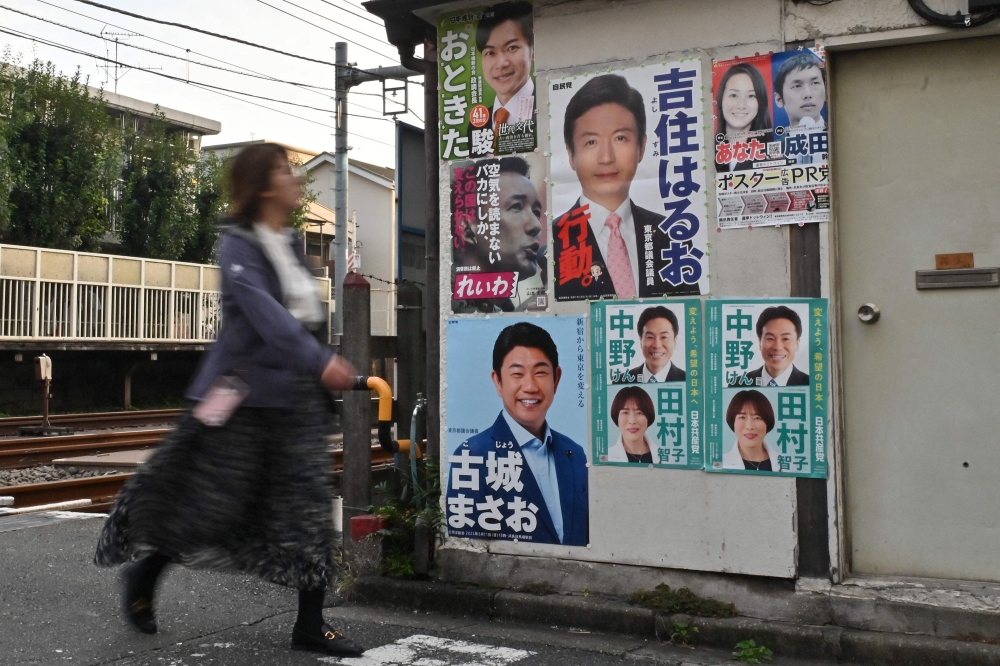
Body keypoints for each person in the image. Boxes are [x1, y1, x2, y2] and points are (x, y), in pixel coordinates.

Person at [94, 143, 365, 658]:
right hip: (243, 403)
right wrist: (321, 362)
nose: (297, 179)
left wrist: (317, 365)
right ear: (264, 185)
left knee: (309, 511)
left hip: (296, 406)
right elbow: (268, 317)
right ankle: (145, 573)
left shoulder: (289, 244)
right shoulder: (238, 245)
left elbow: (303, 319)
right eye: (287, 170)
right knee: (208, 509)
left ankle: (311, 623)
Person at [553, 74, 699, 300]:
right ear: (571, 155)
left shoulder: (671, 235)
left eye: (620, 138)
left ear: (641, 147)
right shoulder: (552, 242)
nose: (606, 157)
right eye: (591, 142)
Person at [448, 322, 588, 546]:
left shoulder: (575, 455)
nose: (530, 386)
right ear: (498, 381)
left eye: (541, 373)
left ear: (557, 379)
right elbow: (467, 551)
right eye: (517, 374)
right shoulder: (472, 456)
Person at [453, 156, 543, 313]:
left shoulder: (504, 309)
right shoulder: (447, 306)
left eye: (536, 212)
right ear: (466, 227)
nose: (536, 225)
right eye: (516, 206)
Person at [475, 2, 535, 143]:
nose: (502, 64)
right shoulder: (476, 126)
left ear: (533, 50)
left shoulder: (547, 108)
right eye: (490, 52)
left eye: (512, 48)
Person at [714, 62, 774, 173]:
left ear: (760, 102)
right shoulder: (707, 152)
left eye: (751, 96)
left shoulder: (774, 155)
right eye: (734, 95)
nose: (741, 105)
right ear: (721, 99)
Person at [735, 305, 809, 387]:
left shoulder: (811, 385)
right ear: (760, 342)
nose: (778, 347)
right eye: (770, 338)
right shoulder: (738, 384)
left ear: (797, 343)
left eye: (786, 339)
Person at [613, 306, 685, 384]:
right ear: (641, 341)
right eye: (650, 337)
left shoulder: (688, 381)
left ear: (675, 341)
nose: (657, 345)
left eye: (664, 337)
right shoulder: (621, 381)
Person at [723, 389, 780, 471]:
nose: (749, 426)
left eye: (757, 418)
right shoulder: (722, 463)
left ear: (767, 422)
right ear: (733, 422)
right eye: (742, 417)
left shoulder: (786, 465)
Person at [773, 51, 827, 130]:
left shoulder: (840, 133)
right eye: (797, 86)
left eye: (815, 83)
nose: (808, 94)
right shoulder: (779, 142)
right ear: (779, 99)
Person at [607, 386, 656, 463]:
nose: (632, 421)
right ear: (617, 417)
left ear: (648, 416)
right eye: (625, 412)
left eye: (639, 413)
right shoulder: (607, 457)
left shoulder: (667, 458)